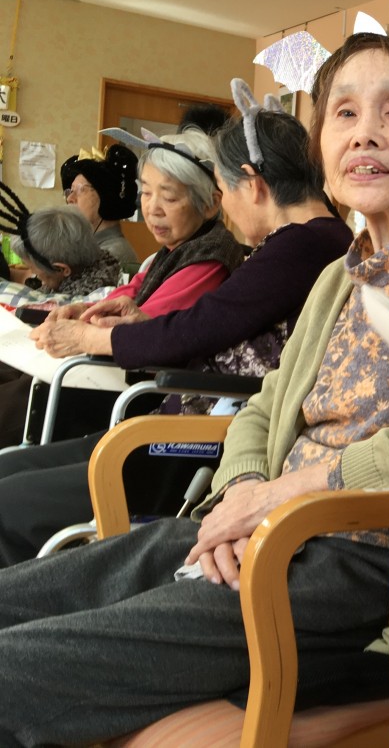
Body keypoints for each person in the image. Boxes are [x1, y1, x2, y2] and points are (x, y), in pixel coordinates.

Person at [0, 26, 389, 746]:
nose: (364, 133)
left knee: (27, 664)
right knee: (32, 595)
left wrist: (284, 496)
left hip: (379, 561)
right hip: (273, 533)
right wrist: (242, 492)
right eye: (344, 113)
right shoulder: (339, 276)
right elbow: (263, 408)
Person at [0, 83, 353, 566]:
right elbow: (213, 322)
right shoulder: (309, 241)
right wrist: (137, 317)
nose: (226, 208)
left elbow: (199, 327)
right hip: (173, 426)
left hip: (192, 444)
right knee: (9, 476)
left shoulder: (304, 245)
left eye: (224, 192)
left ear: (252, 184)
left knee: (9, 503)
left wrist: (89, 337)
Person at [0, 129, 243, 447]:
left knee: (18, 396)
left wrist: (82, 328)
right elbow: (130, 292)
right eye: (146, 193)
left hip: (131, 388)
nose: (152, 208)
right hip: (108, 371)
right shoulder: (178, 247)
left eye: (169, 197)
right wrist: (82, 309)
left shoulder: (210, 256)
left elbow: (146, 329)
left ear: (210, 205)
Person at [0, 204, 121, 308]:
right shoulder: (103, 267)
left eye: (32, 268)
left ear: (62, 269)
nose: (32, 273)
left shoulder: (72, 307)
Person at [60, 143, 140, 267]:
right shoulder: (84, 246)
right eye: (70, 191)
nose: (70, 198)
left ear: (106, 198)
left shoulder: (113, 254)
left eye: (81, 190)